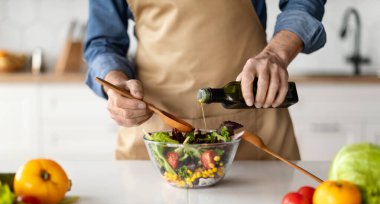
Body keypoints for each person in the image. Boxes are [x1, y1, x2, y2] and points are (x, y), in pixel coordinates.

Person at [84, 0, 326, 160]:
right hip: (156, 132)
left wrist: (275, 54)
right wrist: (117, 86)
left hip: (254, 129)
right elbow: (103, 42)